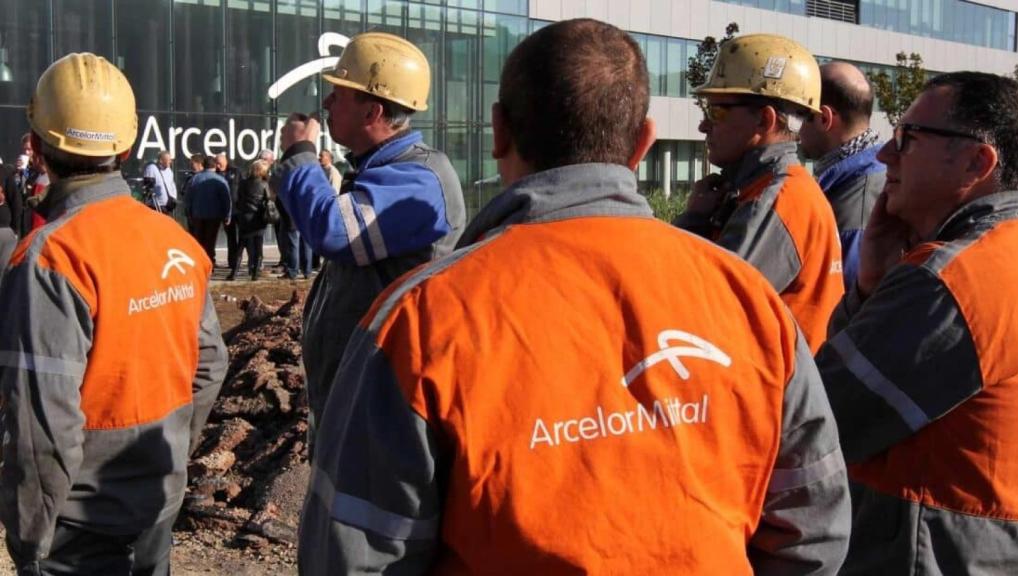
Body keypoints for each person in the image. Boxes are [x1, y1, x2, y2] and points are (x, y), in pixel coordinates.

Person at [298, 19, 849, 574]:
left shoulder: (419, 321)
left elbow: (352, 554)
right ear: (643, 144)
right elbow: (814, 529)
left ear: (498, 133)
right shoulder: (748, 299)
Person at [0, 52, 227, 575]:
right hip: (158, 501)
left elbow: (42, 426)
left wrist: (31, 541)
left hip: (79, 528)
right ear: (127, 146)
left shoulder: (49, 258)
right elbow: (211, 365)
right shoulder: (175, 241)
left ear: (36, 147)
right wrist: (168, 456)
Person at [816, 72, 1018, 573]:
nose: (885, 155)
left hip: (927, 553)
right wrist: (872, 284)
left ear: (978, 162)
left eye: (907, 139)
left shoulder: (951, 281)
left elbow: (820, 419)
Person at [273, 31, 466, 449]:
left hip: (387, 413)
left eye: (339, 95)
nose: (326, 104)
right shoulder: (382, 172)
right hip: (359, 400)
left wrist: (301, 155)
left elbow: (332, 232)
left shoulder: (419, 180)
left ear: (372, 111)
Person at [673, 34, 844, 353]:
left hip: (775, 394)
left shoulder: (776, 200)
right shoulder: (766, 190)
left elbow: (697, 313)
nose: (704, 126)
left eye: (717, 111)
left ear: (764, 120)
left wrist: (693, 222)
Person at [799, 62, 884, 289]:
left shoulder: (856, 203)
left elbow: (841, 301)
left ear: (824, 119)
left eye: (801, 116)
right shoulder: (875, 174)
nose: (797, 131)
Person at [184, 155, 231, 264]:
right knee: (210, 241)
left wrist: (188, 213)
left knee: (198, 241)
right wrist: (227, 215)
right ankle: (209, 262)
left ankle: (199, 263)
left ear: (203, 165)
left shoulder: (194, 179)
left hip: (198, 215)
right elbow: (226, 200)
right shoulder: (220, 180)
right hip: (214, 215)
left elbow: (188, 198)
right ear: (215, 165)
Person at [231, 159, 274, 281]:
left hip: (245, 217)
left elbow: (238, 200)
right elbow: (268, 200)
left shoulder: (243, 183)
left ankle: (234, 272)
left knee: (241, 246)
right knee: (258, 245)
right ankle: (255, 273)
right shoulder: (265, 184)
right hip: (258, 218)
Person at [215, 153, 242, 272]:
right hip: (221, 210)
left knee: (241, 237)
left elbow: (242, 187)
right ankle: (232, 262)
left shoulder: (235, 172)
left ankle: (238, 261)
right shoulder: (215, 173)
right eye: (216, 163)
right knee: (230, 237)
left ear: (225, 161)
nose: (218, 165)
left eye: (219, 163)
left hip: (237, 209)